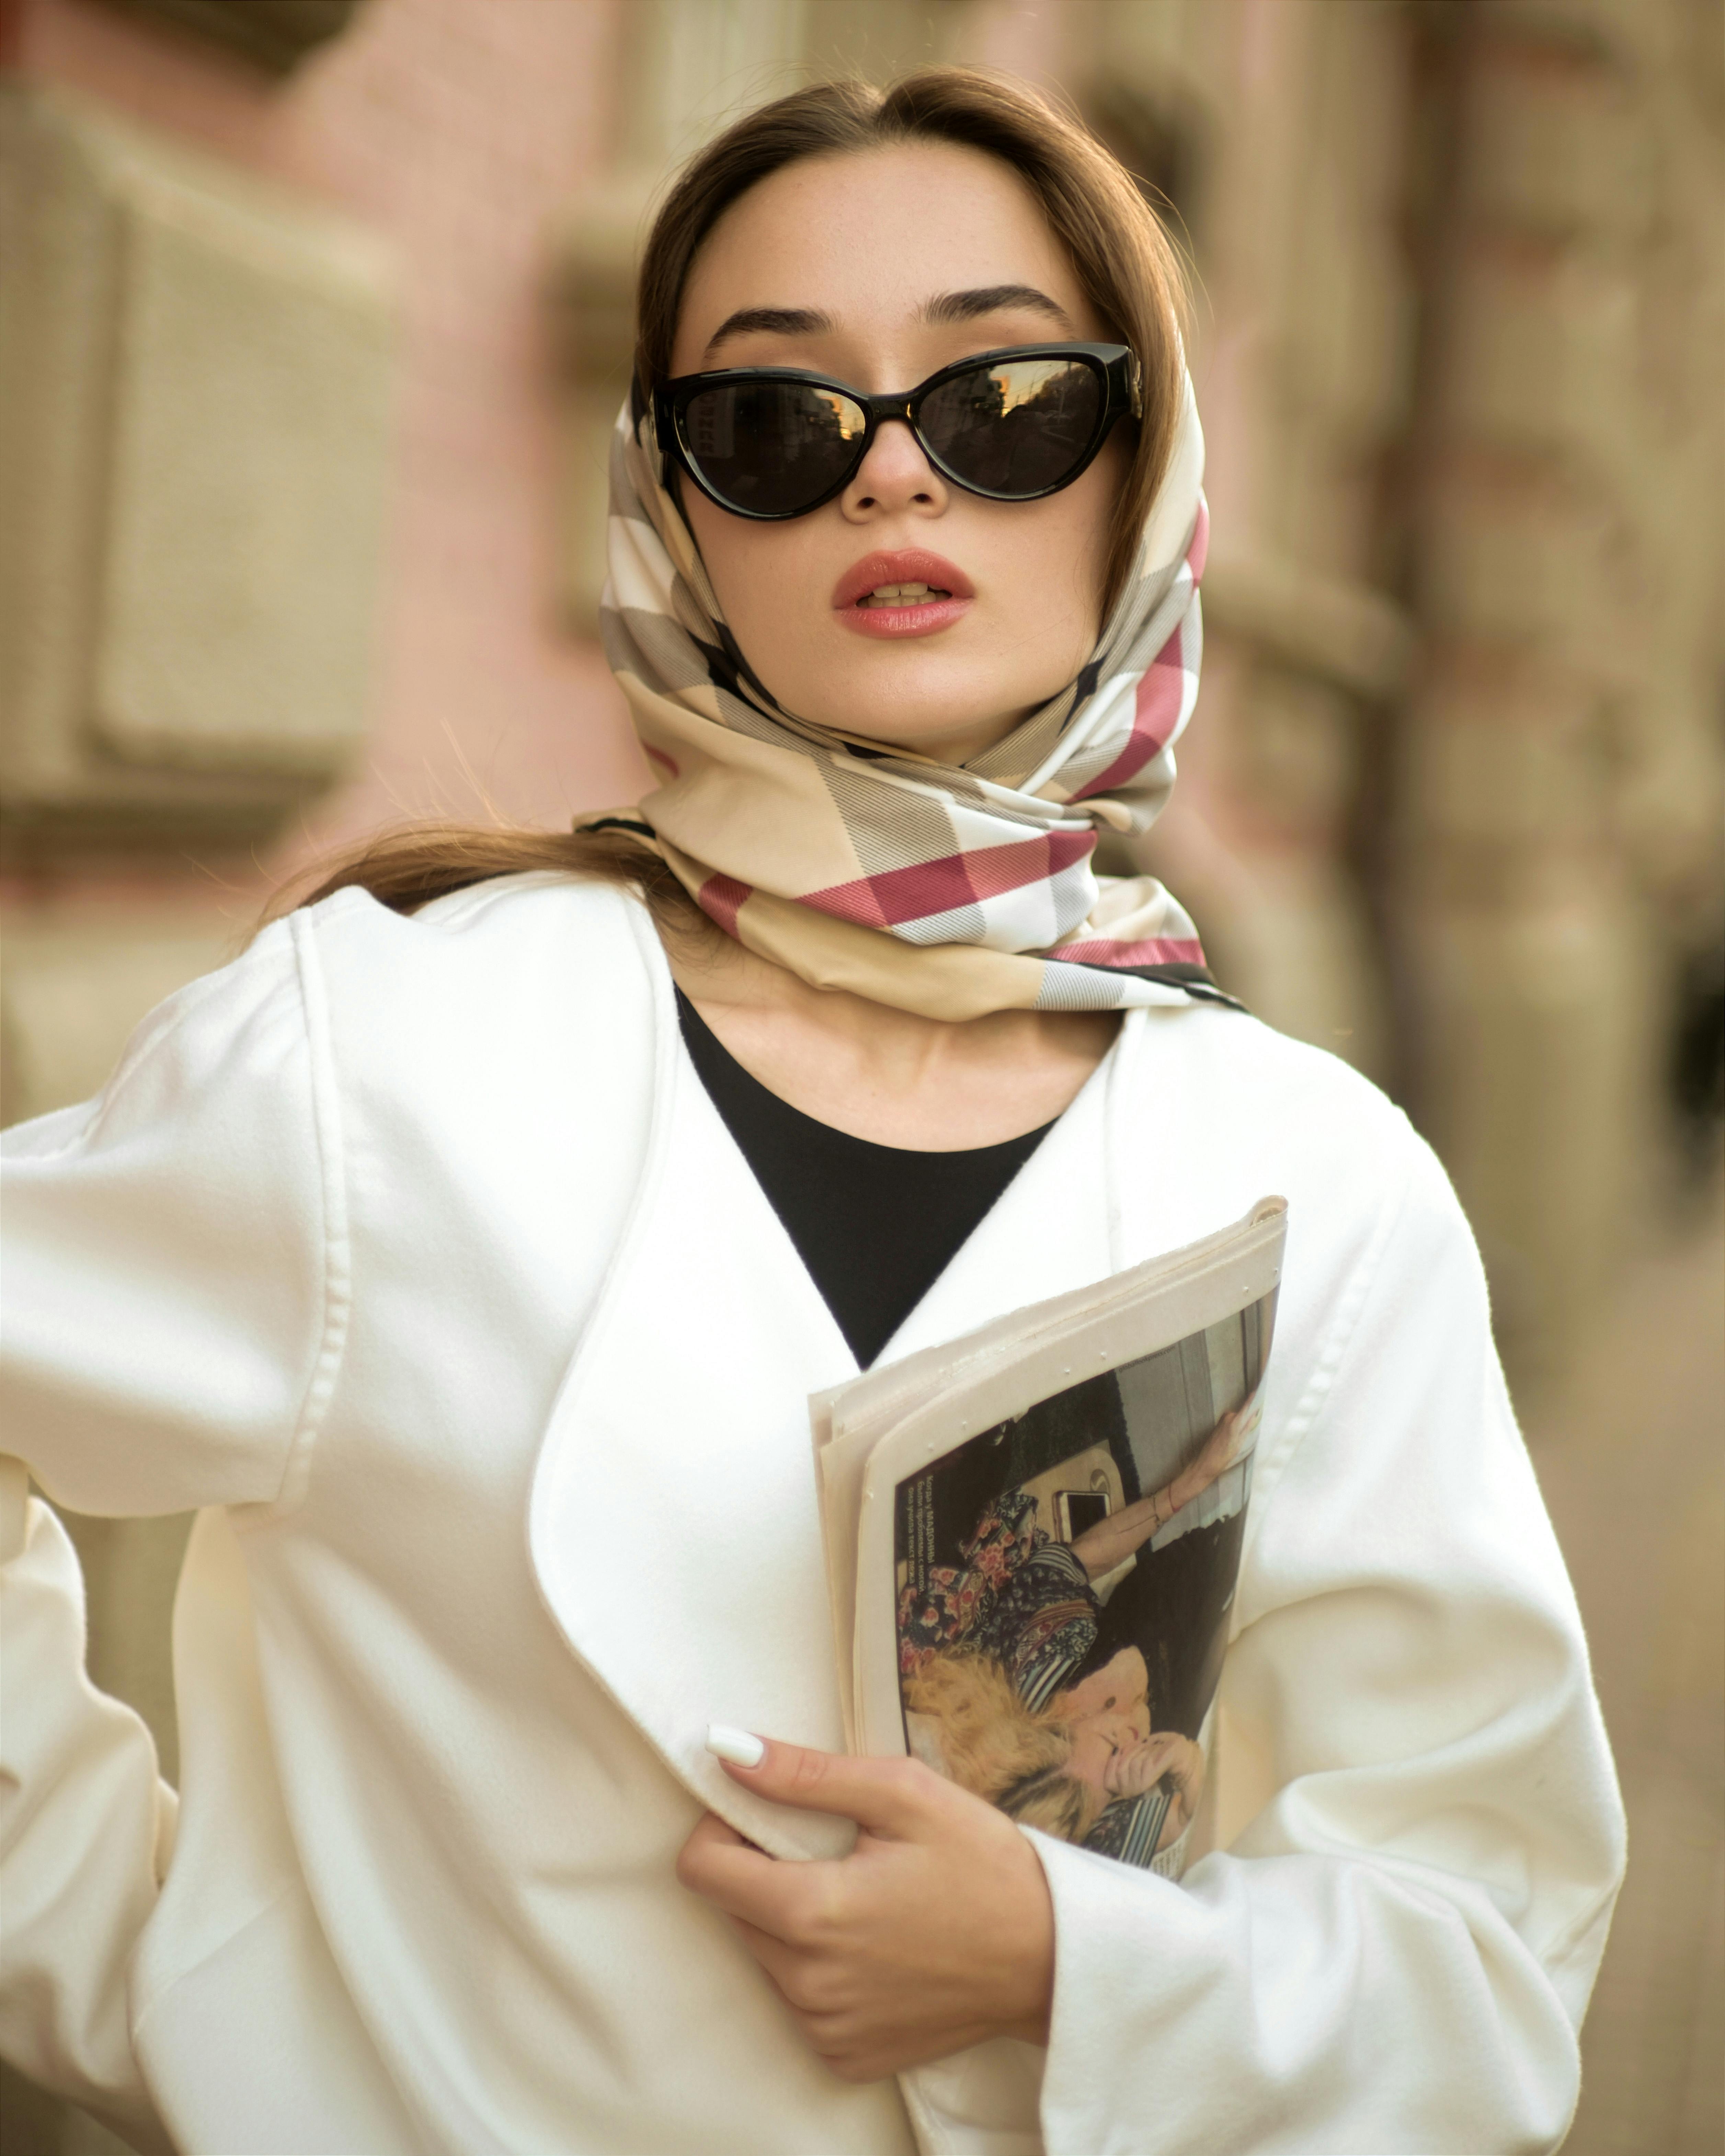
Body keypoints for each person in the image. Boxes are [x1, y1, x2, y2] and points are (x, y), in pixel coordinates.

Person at [0, 67, 1624, 2156]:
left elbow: (1486, 1961)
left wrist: (1064, 1961)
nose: (892, 480)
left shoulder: (1323, 1183)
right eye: (777, 424)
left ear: (1147, 474)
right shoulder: (386, 1059)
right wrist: (154, 1968)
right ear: (674, 509)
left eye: (1004, 400)